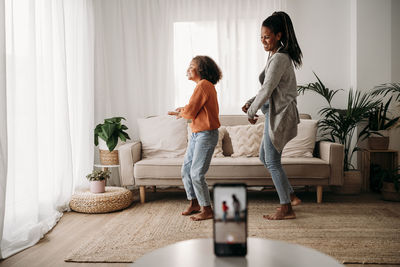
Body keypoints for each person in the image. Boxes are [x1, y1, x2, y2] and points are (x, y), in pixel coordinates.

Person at [242, 11, 302, 220]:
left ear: (278, 35)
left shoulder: (279, 58)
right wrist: (252, 102)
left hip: (280, 115)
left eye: (267, 37)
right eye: (261, 37)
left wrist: (251, 111)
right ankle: (291, 195)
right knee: (264, 157)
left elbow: (267, 89)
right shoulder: (276, 57)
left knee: (273, 161)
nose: (263, 41)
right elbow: (269, 88)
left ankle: (286, 207)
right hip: (273, 113)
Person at [168, 55, 222, 221]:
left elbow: (191, 112)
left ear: (201, 69)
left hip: (206, 135)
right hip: (197, 134)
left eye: (191, 66)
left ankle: (207, 209)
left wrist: (183, 112)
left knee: (196, 173)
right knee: (186, 170)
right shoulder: (203, 86)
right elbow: (195, 108)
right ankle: (194, 203)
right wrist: (183, 110)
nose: (188, 69)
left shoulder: (203, 85)